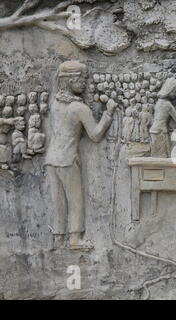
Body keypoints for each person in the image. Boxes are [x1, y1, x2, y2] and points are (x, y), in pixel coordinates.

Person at [45, 60, 118, 250]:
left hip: (51, 159)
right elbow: (95, 135)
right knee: (75, 199)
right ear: (69, 81)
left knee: (58, 201)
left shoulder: (55, 103)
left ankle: (57, 238)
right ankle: (75, 239)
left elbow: (56, 84)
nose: (85, 83)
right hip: (68, 159)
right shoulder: (80, 108)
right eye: (82, 79)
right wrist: (108, 113)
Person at [149, 78, 176, 157]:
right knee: (164, 156)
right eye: (175, 92)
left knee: (156, 156)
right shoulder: (167, 105)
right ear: (169, 90)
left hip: (154, 131)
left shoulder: (159, 102)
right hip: (160, 132)